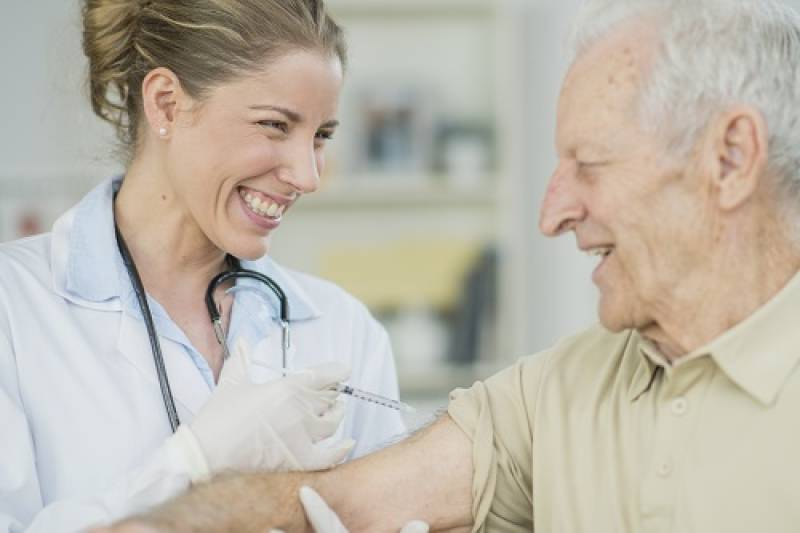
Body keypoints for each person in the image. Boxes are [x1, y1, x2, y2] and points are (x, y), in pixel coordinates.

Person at [97, 0, 800, 531]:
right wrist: (192, 464)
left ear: (731, 158)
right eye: (275, 126)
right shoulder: (559, 394)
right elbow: (321, 505)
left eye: (589, 164)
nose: (551, 215)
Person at [0, 1, 406, 531]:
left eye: (321, 135)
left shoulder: (344, 329)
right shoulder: (15, 309)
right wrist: (191, 463)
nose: (308, 176)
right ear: (166, 104)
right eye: (274, 125)